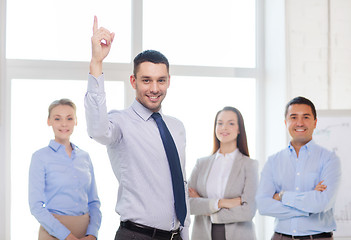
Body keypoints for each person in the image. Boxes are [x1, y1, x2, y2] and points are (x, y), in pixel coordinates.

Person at [84, 16, 190, 240]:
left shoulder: (176, 127)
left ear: (169, 81)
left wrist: (184, 232)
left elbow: (179, 183)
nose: (154, 88)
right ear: (133, 81)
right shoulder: (120, 122)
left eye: (161, 80)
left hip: (176, 235)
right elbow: (97, 129)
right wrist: (96, 63)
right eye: (146, 80)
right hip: (137, 235)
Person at [256, 96, 341, 240]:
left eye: (306, 117)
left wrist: (282, 196)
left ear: (315, 122)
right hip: (280, 237)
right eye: (294, 117)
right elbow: (263, 205)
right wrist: (307, 205)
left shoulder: (329, 159)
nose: (300, 123)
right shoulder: (273, 161)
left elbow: (322, 203)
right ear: (286, 122)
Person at [29, 99, 101, 240]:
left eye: (69, 118)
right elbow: (36, 206)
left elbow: (94, 202)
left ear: (76, 121)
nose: (64, 124)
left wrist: (93, 234)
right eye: (57, 118)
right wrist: (66, 236)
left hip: (86, 234)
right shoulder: (40, 157)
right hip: (53, 233)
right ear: (49, 121)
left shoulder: (84, 157)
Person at [188, 106, 258, 240]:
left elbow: (248, 211)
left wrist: (208, 210)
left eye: (231, 123)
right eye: (220, 123)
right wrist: (221, 203)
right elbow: (188, 204)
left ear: (239, 129)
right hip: (203, 235)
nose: (224, 127)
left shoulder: (250, 165)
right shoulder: (201, 164)